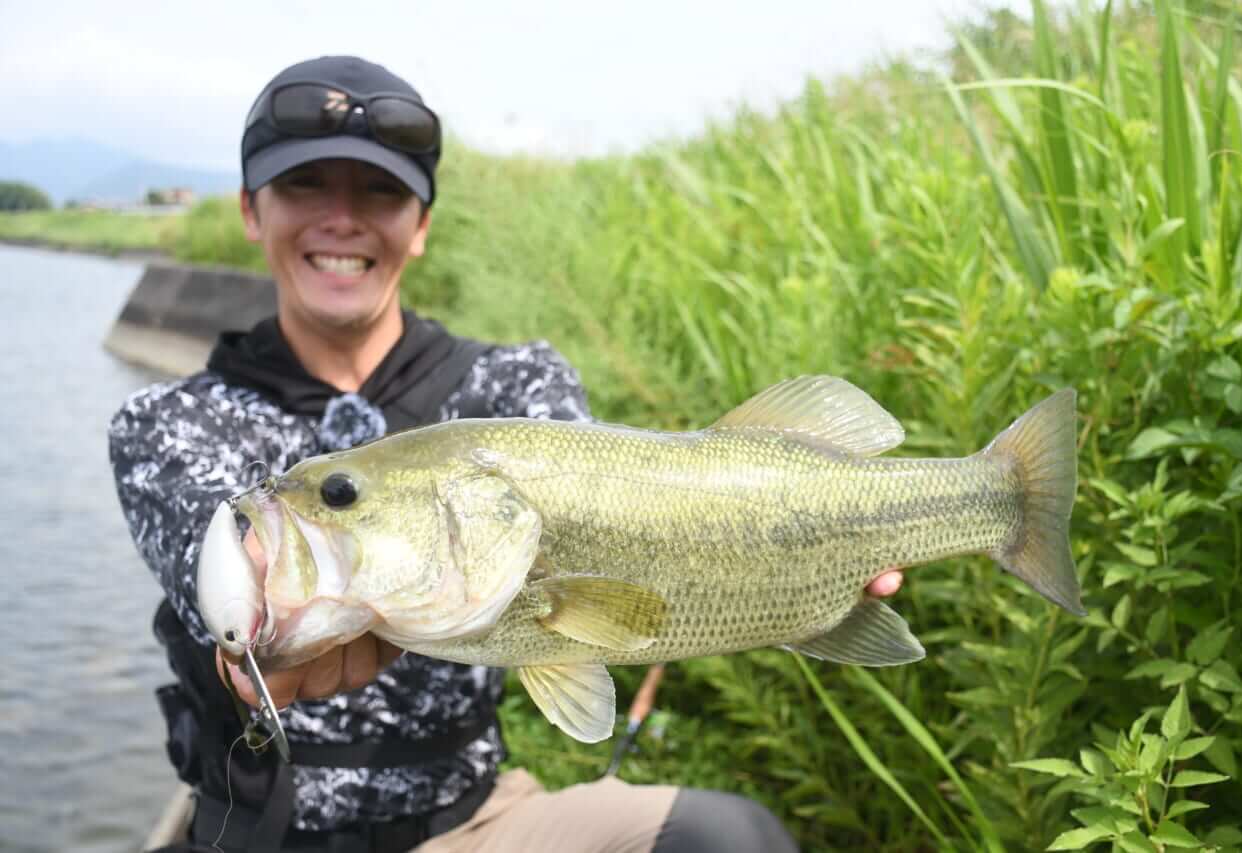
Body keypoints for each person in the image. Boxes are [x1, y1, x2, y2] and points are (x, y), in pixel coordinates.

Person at [110, 55, 905, 853]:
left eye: (381, 190)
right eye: (305, 184)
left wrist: (799, 566)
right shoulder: (166, 421)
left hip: (479, 820)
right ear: (252, 210)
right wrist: (252, 641)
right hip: (256, 833)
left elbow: (615, 560)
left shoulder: (512, 381)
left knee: (732, 837)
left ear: (421, 224)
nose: (342, 218)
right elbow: (211, 571)